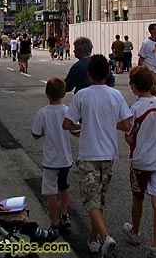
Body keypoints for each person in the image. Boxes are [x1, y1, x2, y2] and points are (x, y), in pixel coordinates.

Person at [63, 55, 132, 257]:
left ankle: (105, 236)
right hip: (109, 154)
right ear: (108, 73)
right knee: (99, 198)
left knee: (89, 199)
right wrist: (111, 124)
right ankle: (93, 239)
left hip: (89, 153)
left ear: (88, 74)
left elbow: (67, 124)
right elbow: (127, 125)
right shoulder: (115, 95)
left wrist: (82, 126)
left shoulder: (82, 95)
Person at [122, 66, 156, 258]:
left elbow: (130, 137)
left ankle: (135, 231)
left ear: (135, 86)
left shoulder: (134, 107)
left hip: (140, 159)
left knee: (138, 198)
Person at [31, 77, 74, 232]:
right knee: (64, 185)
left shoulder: (42, 113)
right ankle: (65, 213)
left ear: (46, 93)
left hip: (50, 160)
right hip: (66, 158)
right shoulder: (68, 111)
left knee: (50, 190)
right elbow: (75, 130)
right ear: (63, 94)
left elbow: (36, 134)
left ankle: (54, 222)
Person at [138, 23, 156, 105]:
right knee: (155, 91)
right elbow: (141, 59)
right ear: (152, 31)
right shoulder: (146, 43)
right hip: (150, 71)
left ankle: (152, 106)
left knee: (151, 92)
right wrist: (140, 72)